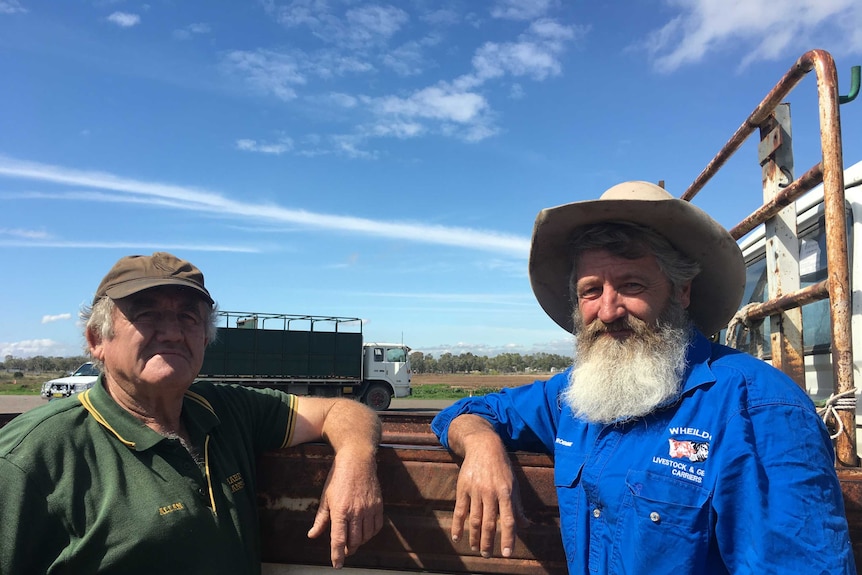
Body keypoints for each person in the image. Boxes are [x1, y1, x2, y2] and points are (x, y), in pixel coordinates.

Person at [431, 181, 856, 574]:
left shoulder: (756, 407)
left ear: (681, 291)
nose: (609, 310)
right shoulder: (576, 393)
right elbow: (472, 411)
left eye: (632, 285)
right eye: (591, 290)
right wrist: (482, 447)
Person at [0, 252, 384, 574]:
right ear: (97, 340)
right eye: (146, 313)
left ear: (204, 337)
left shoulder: (226, 410)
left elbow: (342, 410)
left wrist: (355, 460)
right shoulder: (32, 456)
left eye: (188, 317)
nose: (171, 332)